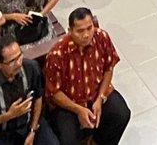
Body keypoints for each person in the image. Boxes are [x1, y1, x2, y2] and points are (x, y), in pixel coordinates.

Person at [44, 8, 129, 145]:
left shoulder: (102, 37)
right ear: (70, 31)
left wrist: (100, 99)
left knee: (121, 114)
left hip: (96, 93)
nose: (86, 35)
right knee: (67, 139)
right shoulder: (57, 54)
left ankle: (96, 142)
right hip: (69, 104)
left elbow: (109, 68)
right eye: (80, 31)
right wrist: (78, 109)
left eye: (89, 28)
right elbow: (54, 93)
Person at [0, 34, 54, 145]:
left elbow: (38, 98)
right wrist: (9, 115)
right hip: (2, 134)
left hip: (30, 124)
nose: (18, 63)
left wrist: (32, 131)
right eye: (12, 61)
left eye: (19, 56)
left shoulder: (31, 67)